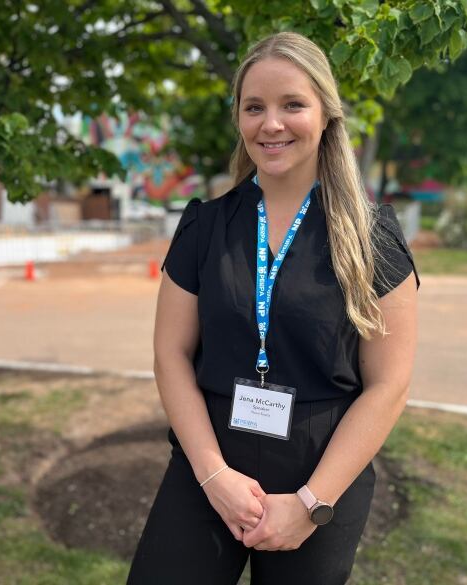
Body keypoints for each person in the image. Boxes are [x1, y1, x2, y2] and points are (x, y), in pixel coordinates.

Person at [128, 31, 419, 585]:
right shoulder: (204, 226)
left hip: (321, 474)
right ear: (238, 117)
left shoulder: (371, 237)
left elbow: (390, 385)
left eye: (293, 104)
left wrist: (311, 503)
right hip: (209, 462)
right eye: (254, 107)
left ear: (326, 114)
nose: (272, 124)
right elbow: (171, 355)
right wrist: (214, 477)